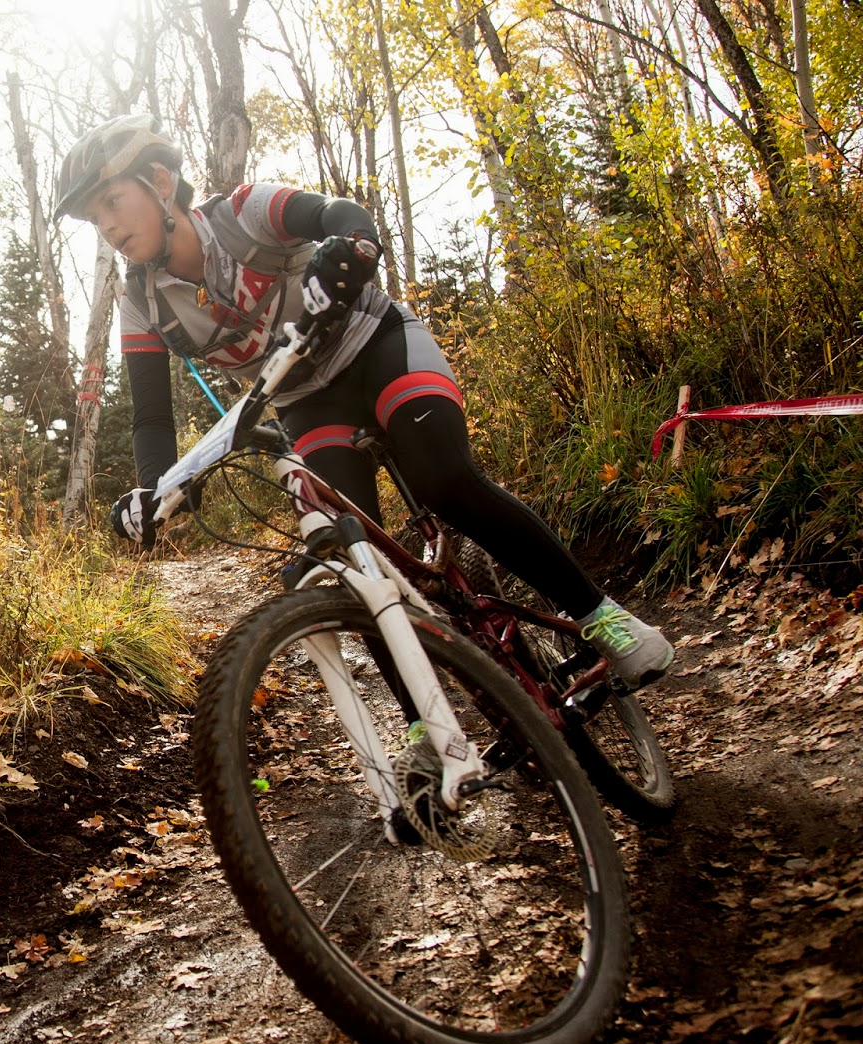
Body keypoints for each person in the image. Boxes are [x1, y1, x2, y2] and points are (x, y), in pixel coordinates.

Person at [51, 114, 674, 689]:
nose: (107, 225)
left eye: (112, 201)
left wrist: (348, 249)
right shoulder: (140, 304)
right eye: (94, 218)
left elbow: (342, 215)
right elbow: (153, 416)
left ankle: (603, 617)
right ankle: (424, 730)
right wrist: (152, 489)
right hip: (306, 400)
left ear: (160, 181)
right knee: (357, 563)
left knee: (443, 478)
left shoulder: (244, 213)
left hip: (376, 344)